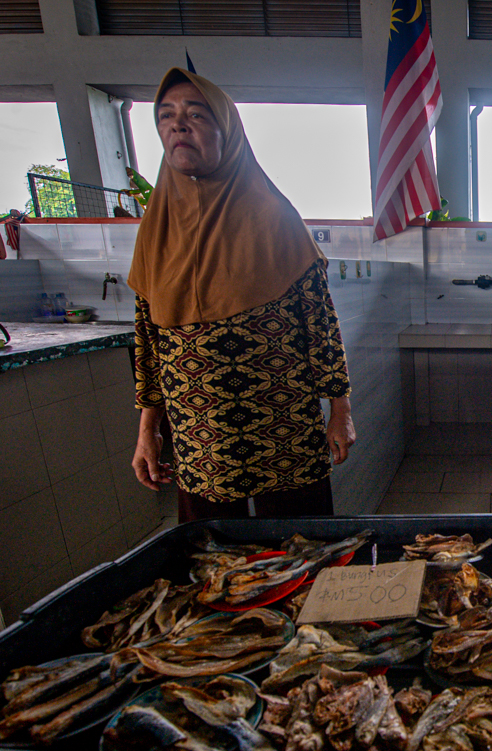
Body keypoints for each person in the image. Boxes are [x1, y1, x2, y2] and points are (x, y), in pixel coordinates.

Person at [128, 67, 355, 522]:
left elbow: (322, 330)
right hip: (199, 441)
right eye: (167, 115)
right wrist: (148, 429)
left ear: (227, 133)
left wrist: (341, 411)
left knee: (301, 549)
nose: (178, 125)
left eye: (197, 115)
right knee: (213, 567)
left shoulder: (275, 219)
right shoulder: (156, 232)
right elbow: (148, 347)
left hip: (283, 432)